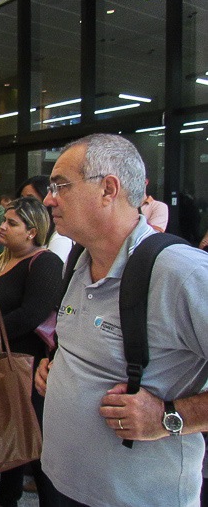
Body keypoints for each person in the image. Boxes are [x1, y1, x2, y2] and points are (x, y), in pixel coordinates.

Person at [35, 134, 208, 506]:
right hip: (64, 484)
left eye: (60, 186)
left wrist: (168, 416)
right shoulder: (78, 261)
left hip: (136, 497)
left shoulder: (182, 273)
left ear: (108, 189)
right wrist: (58, 367)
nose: (49, 199)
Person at [0, 197, 63, 507]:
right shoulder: (2, 260)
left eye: (11, 223)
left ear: (32, 231)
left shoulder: (45, 262)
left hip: (29, 363)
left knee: (34, 437)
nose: (3, 227)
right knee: (12, 432)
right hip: (3, 359)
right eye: (4, 220)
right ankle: (7, 495)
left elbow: (32, 314)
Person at [16, 175, 73, 262]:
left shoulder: (60, 238)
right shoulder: (24, 234)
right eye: (21, 199)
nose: (23, 205)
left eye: (31, 200)